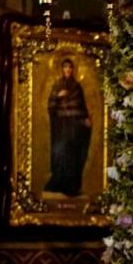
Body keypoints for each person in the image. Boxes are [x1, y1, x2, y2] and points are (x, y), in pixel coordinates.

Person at [43, 57, 92, 197]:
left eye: (70, 67)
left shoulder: (77, 86)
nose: (68, 69)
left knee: (74, 154)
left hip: (75, 127)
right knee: (62, 154)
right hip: (61, 127)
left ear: (73, 69)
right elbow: (51, 106)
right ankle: (60, 184)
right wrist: (58, 96)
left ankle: (72, 187)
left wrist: (86, 118)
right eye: (65, 67)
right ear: (62, 69)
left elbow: (82, 106)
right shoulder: (57, 85)